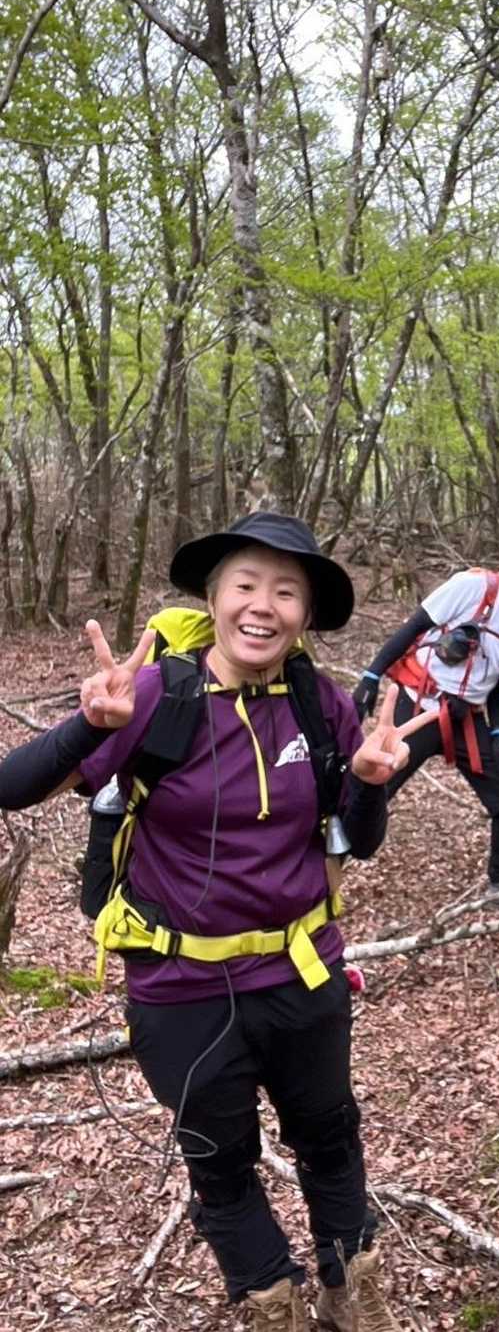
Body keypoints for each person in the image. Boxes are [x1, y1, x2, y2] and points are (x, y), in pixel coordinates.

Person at [0, 512, 435, 1332]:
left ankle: (351, 1283)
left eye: (286, 591)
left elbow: (359, 838)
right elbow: (11, 786)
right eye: (246, 584)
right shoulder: (156, 695)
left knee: (331, 1135)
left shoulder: (318, 702)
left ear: (305, 613)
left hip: (302, 969)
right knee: (221, 1160)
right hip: (181, 984)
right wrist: (90, 724)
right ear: (213, 596)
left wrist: (372, 782)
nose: (263, 605)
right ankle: (271, 1299)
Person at [353, 524, 499, 913]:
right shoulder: (473, 587)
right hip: (419, 706)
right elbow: (413, 627)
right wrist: (371, 676)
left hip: (466, 719)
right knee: (373, 785)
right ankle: (320, 859)